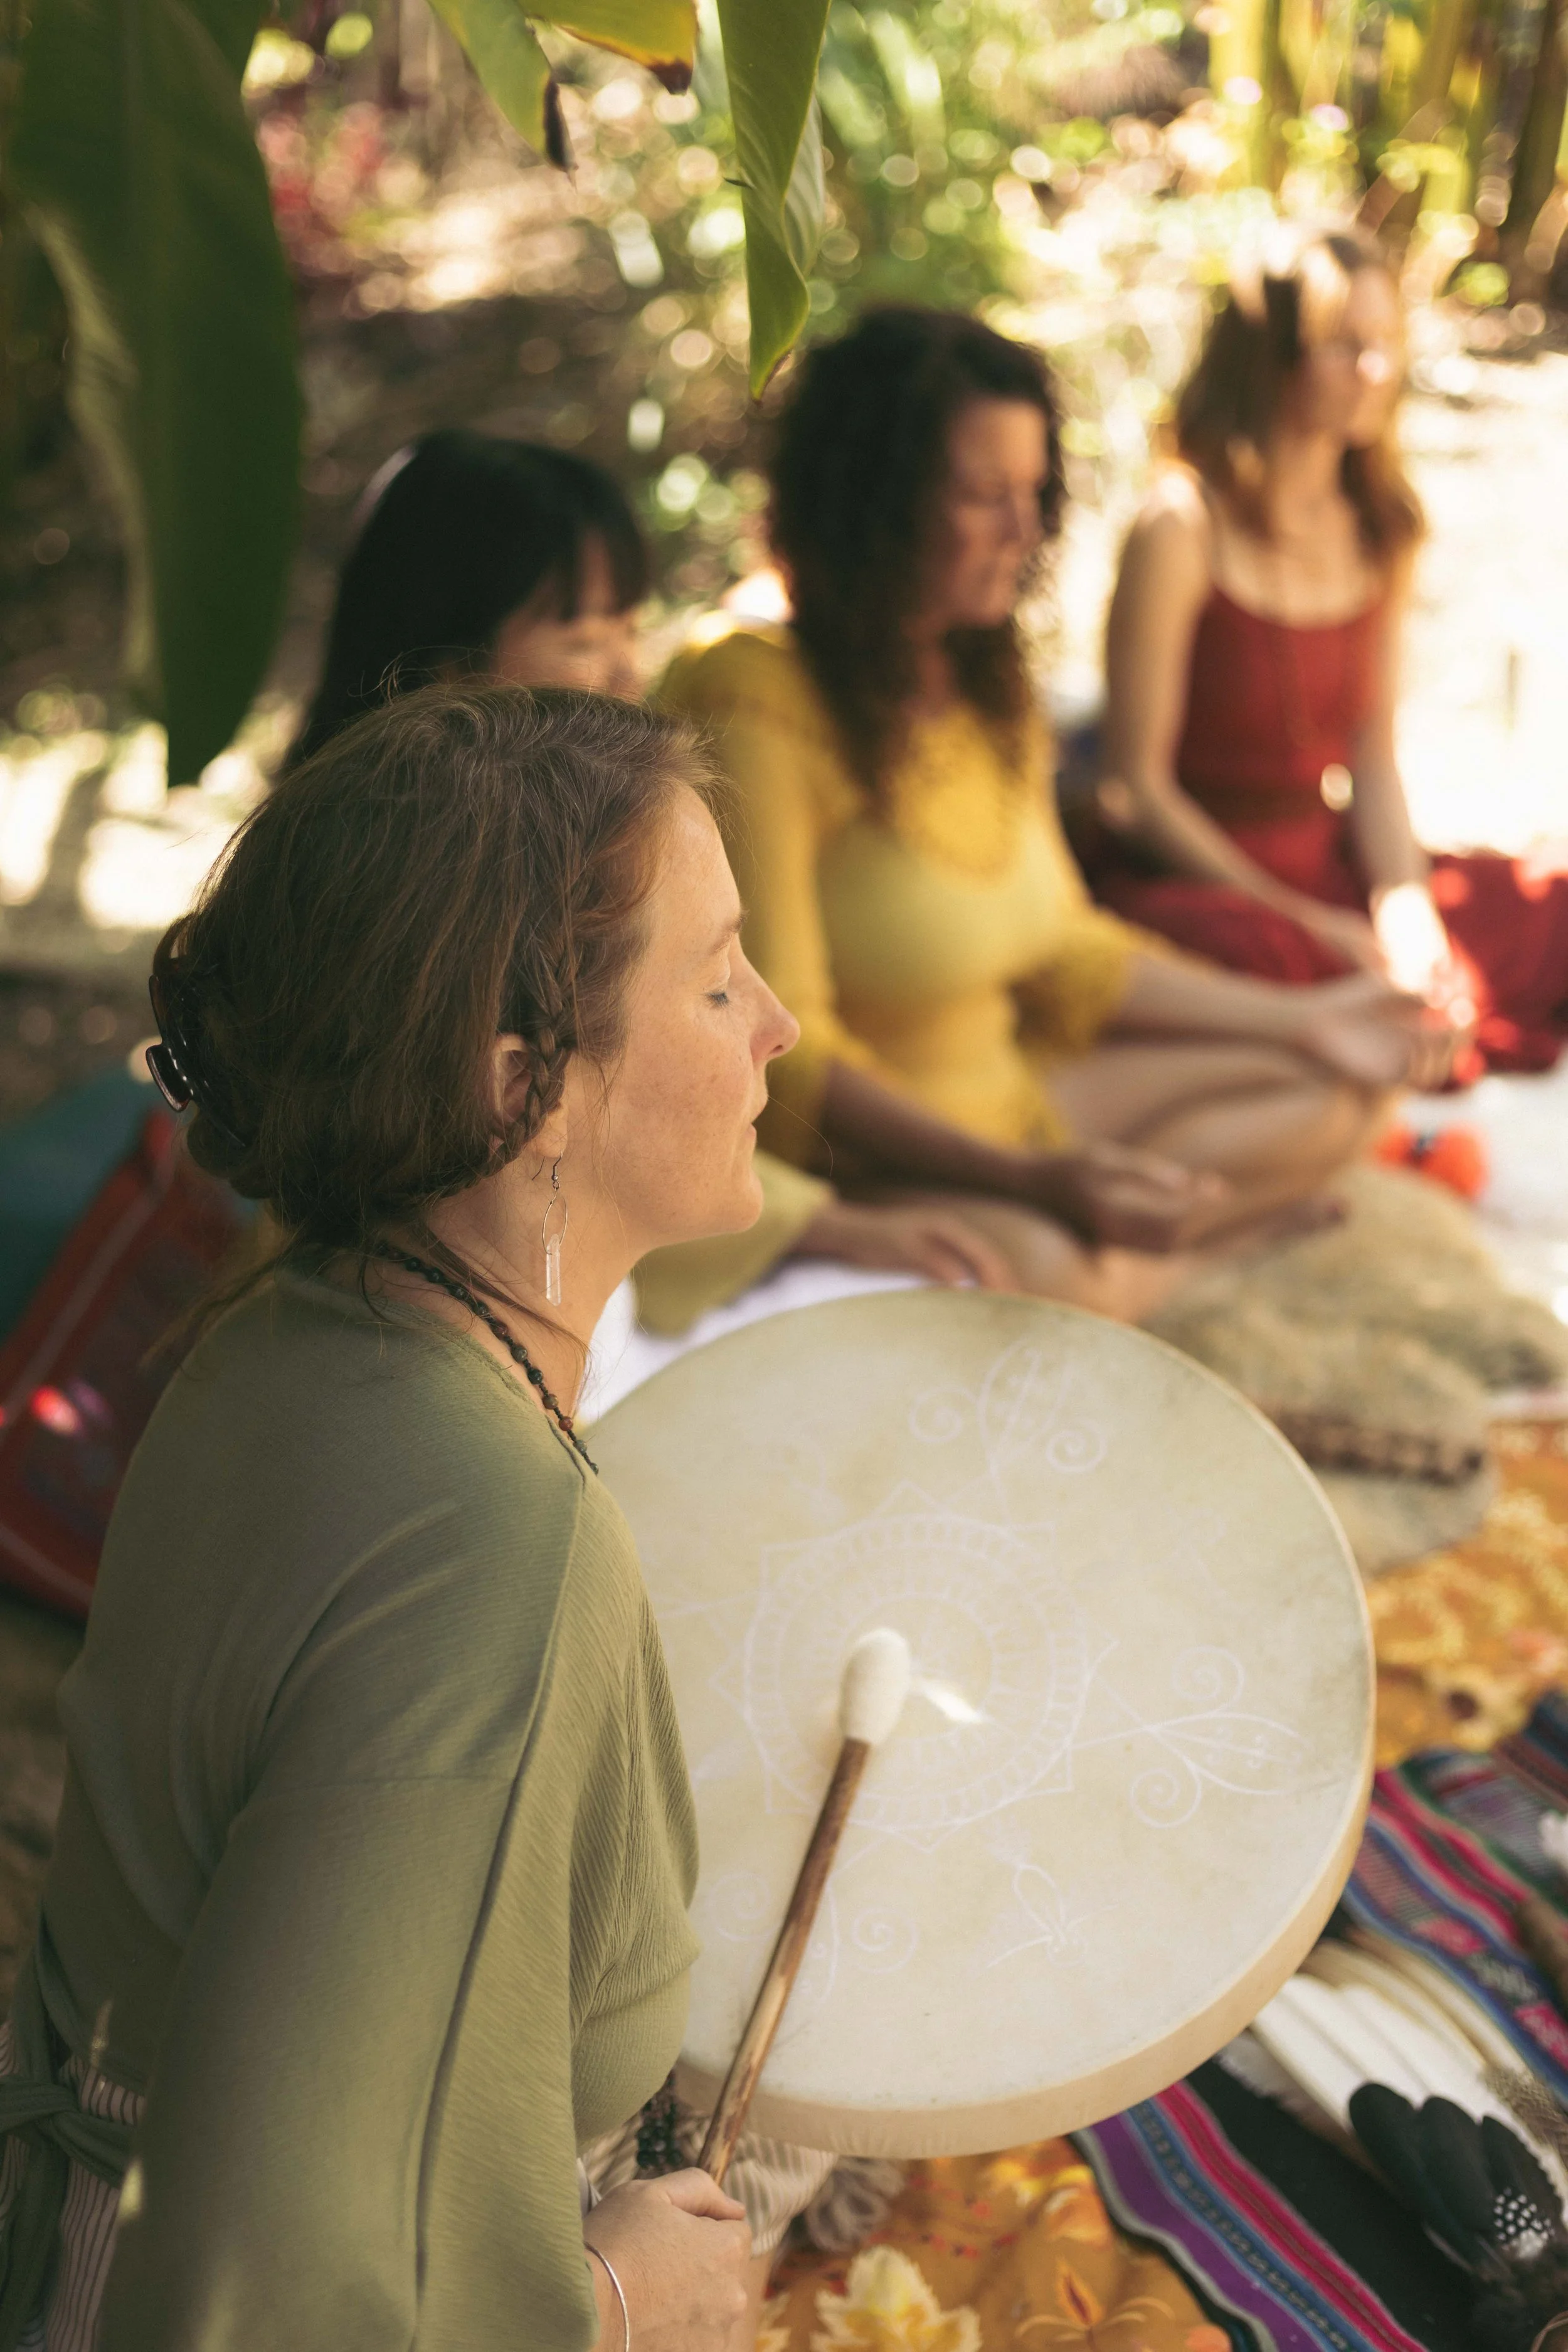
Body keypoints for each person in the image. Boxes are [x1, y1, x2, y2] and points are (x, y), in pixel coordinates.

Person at [0, 688, 784, 2349]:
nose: (775, 1021)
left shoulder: (288, 1326)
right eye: (715, 978)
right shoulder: (501, 1548)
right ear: (527, 1081)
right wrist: (616, 2288)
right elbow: (287, 2280)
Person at [660, 307, 1442, 1318]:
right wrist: (1035, 1183)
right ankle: (1182, 1258)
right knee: (1045, 1274)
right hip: (868, 1159)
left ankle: (1148, 1255)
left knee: (1347, 1085)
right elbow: (787, 1062)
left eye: (1034, 493)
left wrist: (1306, 1023)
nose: (1023, 532)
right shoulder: (750, 693)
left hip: (1024, 1090)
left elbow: (1067, 950)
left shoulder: (978, 670)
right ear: (875, 504)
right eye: (984, 496)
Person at [294, 426, 1010, 1324]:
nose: (631, 669)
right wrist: (832, 1226)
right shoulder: (430, 909)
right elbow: (600, 1140)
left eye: (631, 626)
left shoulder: (550, 839)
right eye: (586, 636)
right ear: (450, 673)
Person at [1092, 221, 1568, 1076]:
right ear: (1273, 355)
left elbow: (1374, 761)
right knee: (1284, 969)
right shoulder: (1179, 527)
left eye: (1387, 343)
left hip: (1330, 862)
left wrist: (1407, 907)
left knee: (1547, 906)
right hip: (1206, 883)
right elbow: (1135, 790)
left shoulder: (1382, 525)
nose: (1377, 370)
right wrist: (1309, 924)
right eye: (1346, 346)